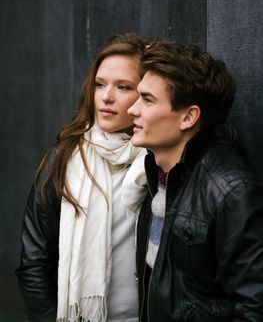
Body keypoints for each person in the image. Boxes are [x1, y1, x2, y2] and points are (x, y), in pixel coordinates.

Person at [16, 33, 148, 322]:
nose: (106, 96)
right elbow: (35, 261)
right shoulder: (65, 159)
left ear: (146, 95)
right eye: (100, 84)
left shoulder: (157, 162)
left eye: (123, 86)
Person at [127, 40, 263, 321]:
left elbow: (253, 308)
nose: (132, 109)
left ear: (188, 117)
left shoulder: (232, 191)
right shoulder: (155, 173)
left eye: (148, 99)